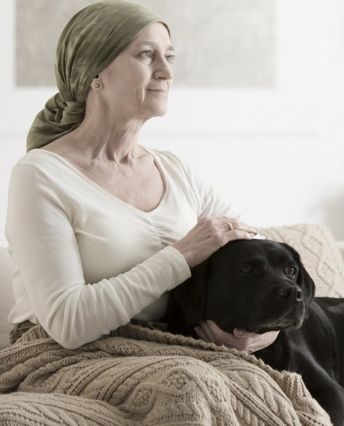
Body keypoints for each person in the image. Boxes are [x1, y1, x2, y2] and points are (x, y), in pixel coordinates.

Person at [5, 0, 278, 352]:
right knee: (192, 387)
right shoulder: (39, 175)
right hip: (60, 354)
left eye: (170, 56)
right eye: (146, 55)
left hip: (167, 347)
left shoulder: (176, 171)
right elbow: (67, 323)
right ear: (95, 72)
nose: (166, 72)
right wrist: (182, 255)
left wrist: (262, 332)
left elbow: (265, 255)